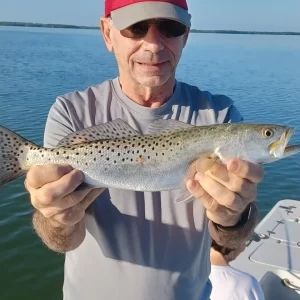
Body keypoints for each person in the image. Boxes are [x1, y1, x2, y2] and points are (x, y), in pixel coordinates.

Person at [24, 0, 264, 299]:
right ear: (107, 33)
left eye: (170, 28)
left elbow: (232, 240)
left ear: (185, 35)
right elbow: (61, 241)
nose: (153, 44)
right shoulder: (71, 112)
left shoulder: (220, 115)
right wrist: (56, 217)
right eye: (136, 28)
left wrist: (234, 217)